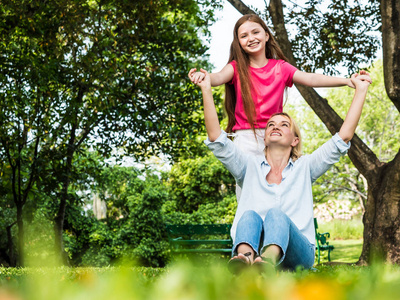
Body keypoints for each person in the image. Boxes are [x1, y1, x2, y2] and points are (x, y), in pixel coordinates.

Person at [193, 67, 371, 274]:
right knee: (249, 215)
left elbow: (344, 137)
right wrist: (206, 88)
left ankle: (266, 263)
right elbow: (216, 137)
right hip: (256, 246)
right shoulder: (248, 166)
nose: (276, 126)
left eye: (284, 124)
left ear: (295, 140)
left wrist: (360, 90)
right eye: (271, 124)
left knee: (276, 215)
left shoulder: (306, 167)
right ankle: (244, 259)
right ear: (265, 137)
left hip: (298, 252)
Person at [188, 14, 372, 157]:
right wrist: (203, 77)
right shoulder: (236, 68)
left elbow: (310, 79)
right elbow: (218, 77)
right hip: (245, 138)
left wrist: (346, 81)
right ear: (239, 43)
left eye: (255, 32)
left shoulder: (280, 68)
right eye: (244, 36)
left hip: (276, 135)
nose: (250, 38)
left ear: (266, 35)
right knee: (249, 187)